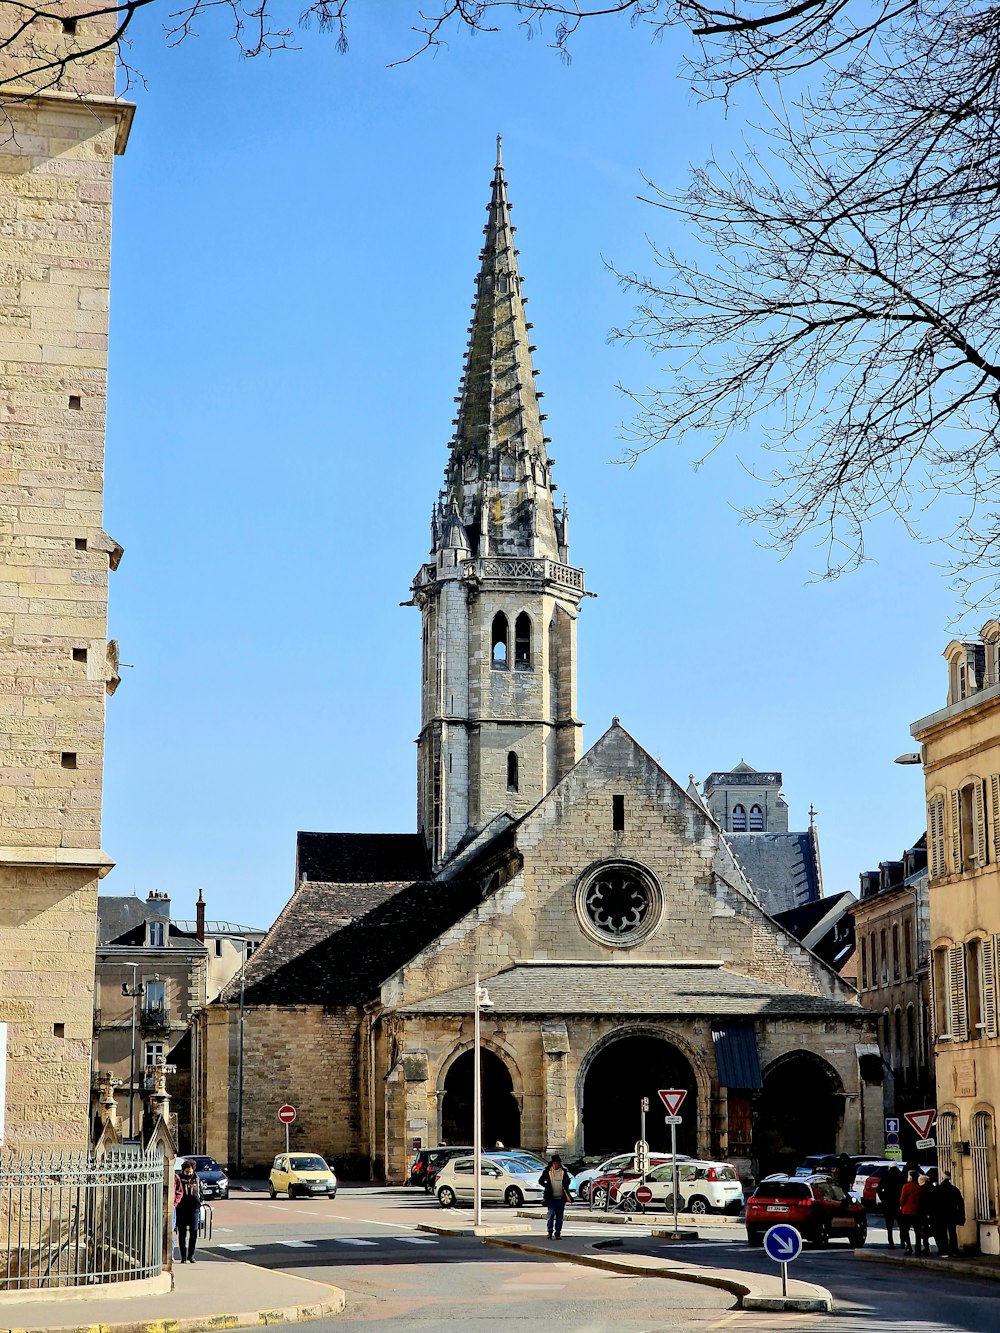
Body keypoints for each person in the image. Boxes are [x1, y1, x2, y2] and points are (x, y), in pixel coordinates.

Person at [174, 1159, 202, 1264]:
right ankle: (183, 1256)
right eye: (186, 1172)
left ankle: (191, 1255)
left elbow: (200, 1192)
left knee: (194, 1232)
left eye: (190, 1172)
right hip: (181, 1209)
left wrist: (201, 1202)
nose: (189, 1174)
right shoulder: (179, 1179)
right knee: (182, 1234)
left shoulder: (196, 1179)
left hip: (194, 1209)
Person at [539, 1154, 573, 1240]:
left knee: (559, 1216)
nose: (556, 1165)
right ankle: (550, 1231)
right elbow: (541, 1181)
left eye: (557, 1163)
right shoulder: (548, 1171)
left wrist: (565, 1185)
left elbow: (568, 1181)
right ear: (552, 1163)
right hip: (551, 1198)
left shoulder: (563, 1171)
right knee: (551, 1215)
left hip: (561, 1198)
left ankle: (558, 1233)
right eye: (554, 1163)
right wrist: (547, 1186)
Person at [938, 1172, 966, 1256]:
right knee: (952, 1232)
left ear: (942, 1178)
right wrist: (961, 1215)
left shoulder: (939, 1189)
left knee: (943, 1232)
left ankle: (945, 1250)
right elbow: (960, 1203)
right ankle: (954, 1249)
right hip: (952, 1213)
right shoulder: (954, 1189)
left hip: (941, 1214)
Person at [876, 1165, 904, 1249]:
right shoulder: (901, 1175)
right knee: (901, 1225)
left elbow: (879, 1189)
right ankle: (902, 1242)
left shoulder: (886, 1175)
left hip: (888, 1203)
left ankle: (891, 1242)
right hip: (898, 1203)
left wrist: (883, 1198)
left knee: (889, 1225)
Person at [899, 1168, 922, 1254]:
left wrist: (901, 1205)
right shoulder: (919, 1187)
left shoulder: (906, 1186)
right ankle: (918, 1248)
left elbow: (902, 1199)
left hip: (907, 1211)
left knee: (905, 1230)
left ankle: (908, 1247)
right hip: (917, 1211)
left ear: (911, 1177)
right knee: (917, 1231)